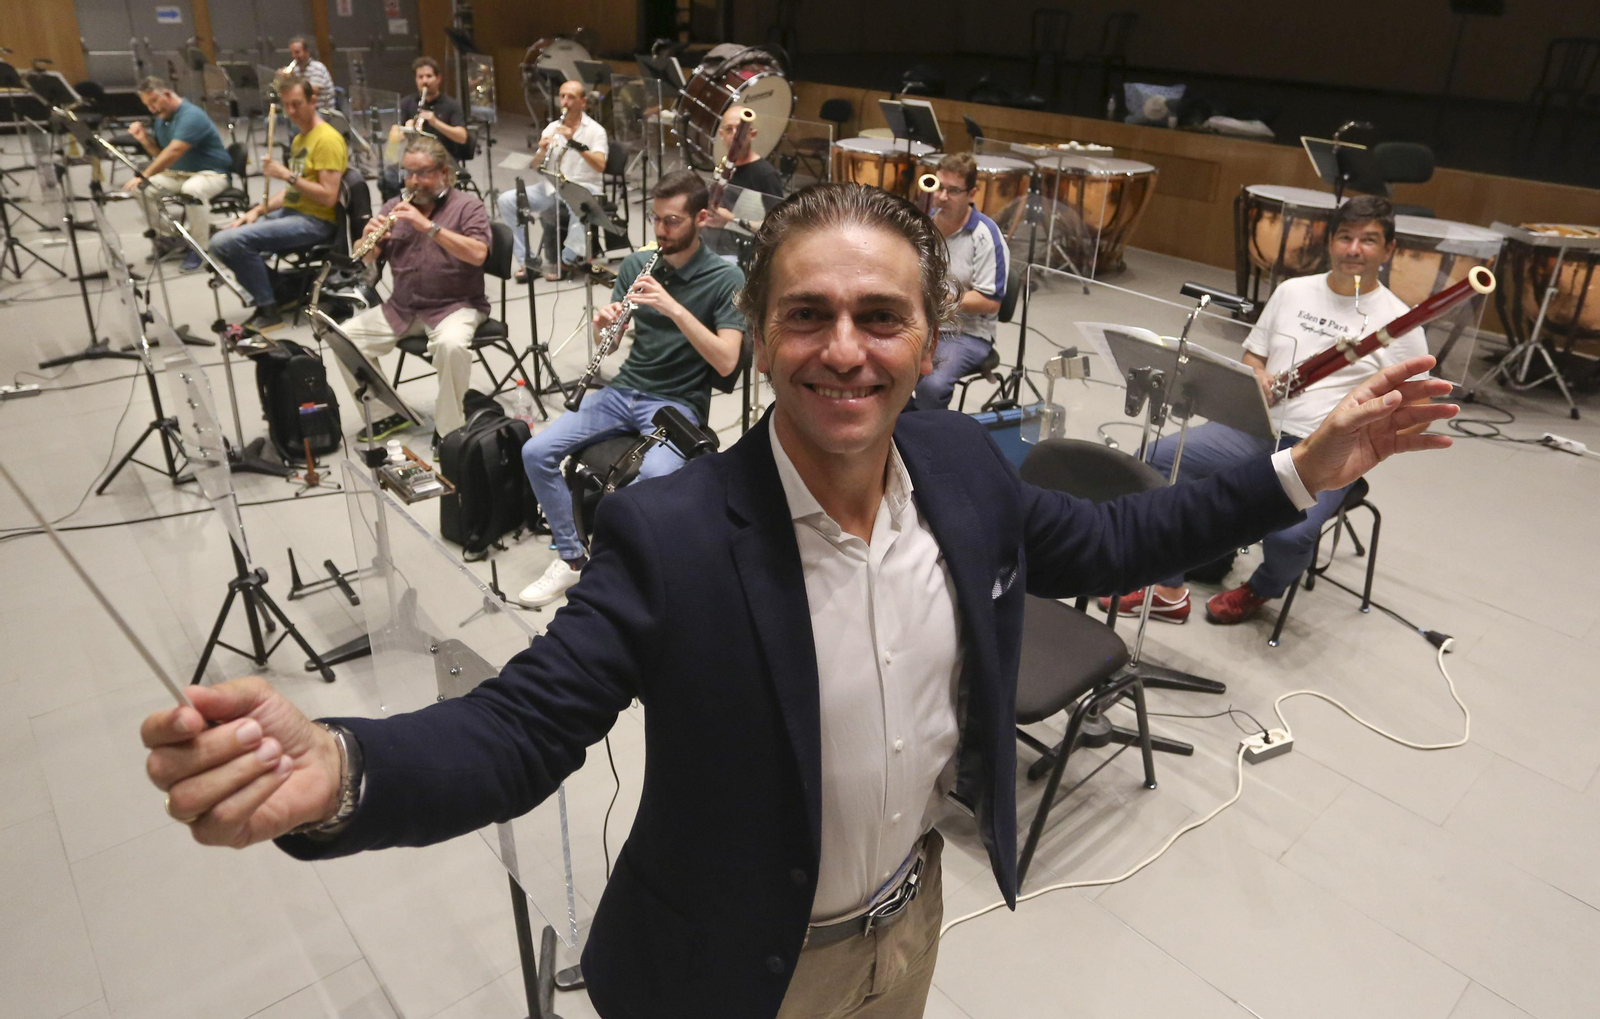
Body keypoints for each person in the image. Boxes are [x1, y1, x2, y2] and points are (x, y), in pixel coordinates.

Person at [138, 183, 1456, 1019]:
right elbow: (526, 722)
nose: (844, 348)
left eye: (881, 317)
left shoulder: (955, 459)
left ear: (928, 339)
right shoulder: (669, 531)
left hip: (909, 921)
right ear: (760, 337)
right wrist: (349, 763)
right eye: (807, 315)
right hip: (730, 969)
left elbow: (1120, 530)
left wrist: (1300, 467)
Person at [1104, 194, 1432, 626]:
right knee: (1158, 460)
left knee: (1292, 532)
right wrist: (1256, 377)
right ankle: (1167, 586)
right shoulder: (1291, 291)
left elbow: (1422, 408)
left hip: (1322, 447)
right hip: (1254, 427)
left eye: (1368, 241)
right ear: (1331, 242)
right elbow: (1252, 358)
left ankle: (1262, 587)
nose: (1355, 250)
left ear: (1388, 250)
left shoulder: (1398, 322)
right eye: (1346, 237)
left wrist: (1369, 419)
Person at [516, 168, 744, 608]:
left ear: (700, 219)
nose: (661, 230)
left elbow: (727, 360)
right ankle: (571, 558)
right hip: (624, 391)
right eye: (656, 219)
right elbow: (615, 342)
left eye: (672, 221)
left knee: (654, 479)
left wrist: (674, 308)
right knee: (535, 452)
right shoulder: (640, 265)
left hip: (676, 403)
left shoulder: (725, 280)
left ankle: (629, 569)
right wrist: (607, 325)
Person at [334, 137, 489, 444]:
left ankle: (450, 434)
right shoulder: (395, 206)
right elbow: (364, 261)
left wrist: (428, 227)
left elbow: (478, 254)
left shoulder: (468, 206)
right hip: (403, 307)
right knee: (343, 338)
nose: (414, 182)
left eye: (423, 173)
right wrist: (368, 244)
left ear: (444, 172)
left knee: (452, 347)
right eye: (408, 173)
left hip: (456, 306)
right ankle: (383, 415)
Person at [208, 75, 347, 330]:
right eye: (286, 105)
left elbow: (328, 195)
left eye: (297, 104)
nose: (291, 112)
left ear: (313, 101)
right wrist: (257, 210)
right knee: (222, 238)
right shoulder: (299, 138)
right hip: (294, 212)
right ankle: (282, 291)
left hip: (316, 222)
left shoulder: (327, 140)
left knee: (229, 242)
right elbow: (293, 193)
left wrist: (287, 175)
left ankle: (268, 307)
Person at [912, 153, 1006, 410]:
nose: (942, 197)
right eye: (939, 187)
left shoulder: (986, 235)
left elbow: (990, 301)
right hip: (924, 323)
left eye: (953, 190)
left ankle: (929, 440)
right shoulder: (922, 223)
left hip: (967, 333)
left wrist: (940, 299)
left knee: (931, 384)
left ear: (972, 193)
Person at [495, 78, 607, 281]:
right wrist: (541, 151)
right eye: (562, 96)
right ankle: (527, 261)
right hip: (553, 186)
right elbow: (537, 167)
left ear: (583, 102)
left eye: (571, 97)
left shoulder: (595, 131)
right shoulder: (551, 128)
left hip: (583, 187)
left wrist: (574, 142)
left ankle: (565, 261)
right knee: (507, 200)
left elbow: (600, 164)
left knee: (580, 206)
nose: (564, 102)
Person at [125, 76, 233, 272]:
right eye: (148, 105)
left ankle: (200, 248)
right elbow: (162, 155)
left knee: (191, 190)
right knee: (142, 190)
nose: (152, 109)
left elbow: (174, 151)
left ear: (166, 94)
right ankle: (173, 239)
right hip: (179, 173)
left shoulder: (191, 116)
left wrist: (144, 174)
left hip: (212, 174)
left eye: (154, 102)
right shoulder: (162, 119)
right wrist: (144, 140)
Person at [379, 57, 472, 201]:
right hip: (414, 162)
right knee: (386, 178)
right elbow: (393, 137)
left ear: (438, 78)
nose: (425, 81)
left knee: (428, 184)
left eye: (429, 76)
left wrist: (436, 123)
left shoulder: (451, 105)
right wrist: (406, 128)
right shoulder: (407, 103)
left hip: (442, 162)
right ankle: (397, 213)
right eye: (420, 77)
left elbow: (462, 137)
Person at [284, 36, 337, 114]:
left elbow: (313, 90)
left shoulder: (317, 67)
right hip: (304, 109)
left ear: (307, 52)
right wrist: (283, 80)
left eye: (297, 52)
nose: (294, 56)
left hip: (322, 110)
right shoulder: (296, 69)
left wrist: (292, 85)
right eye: (292, 53)